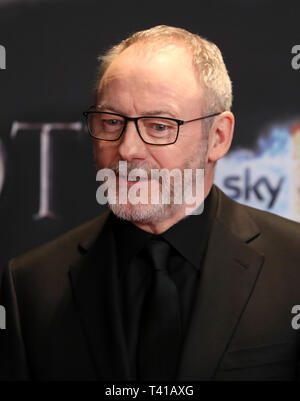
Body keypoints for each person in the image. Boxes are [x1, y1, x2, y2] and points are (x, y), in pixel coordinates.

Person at [1, 25, 300, 381]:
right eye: (112, 122)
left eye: (159, 126)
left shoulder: (294, 266)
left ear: (217, 137)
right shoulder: (31, 285)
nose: (127, 150)